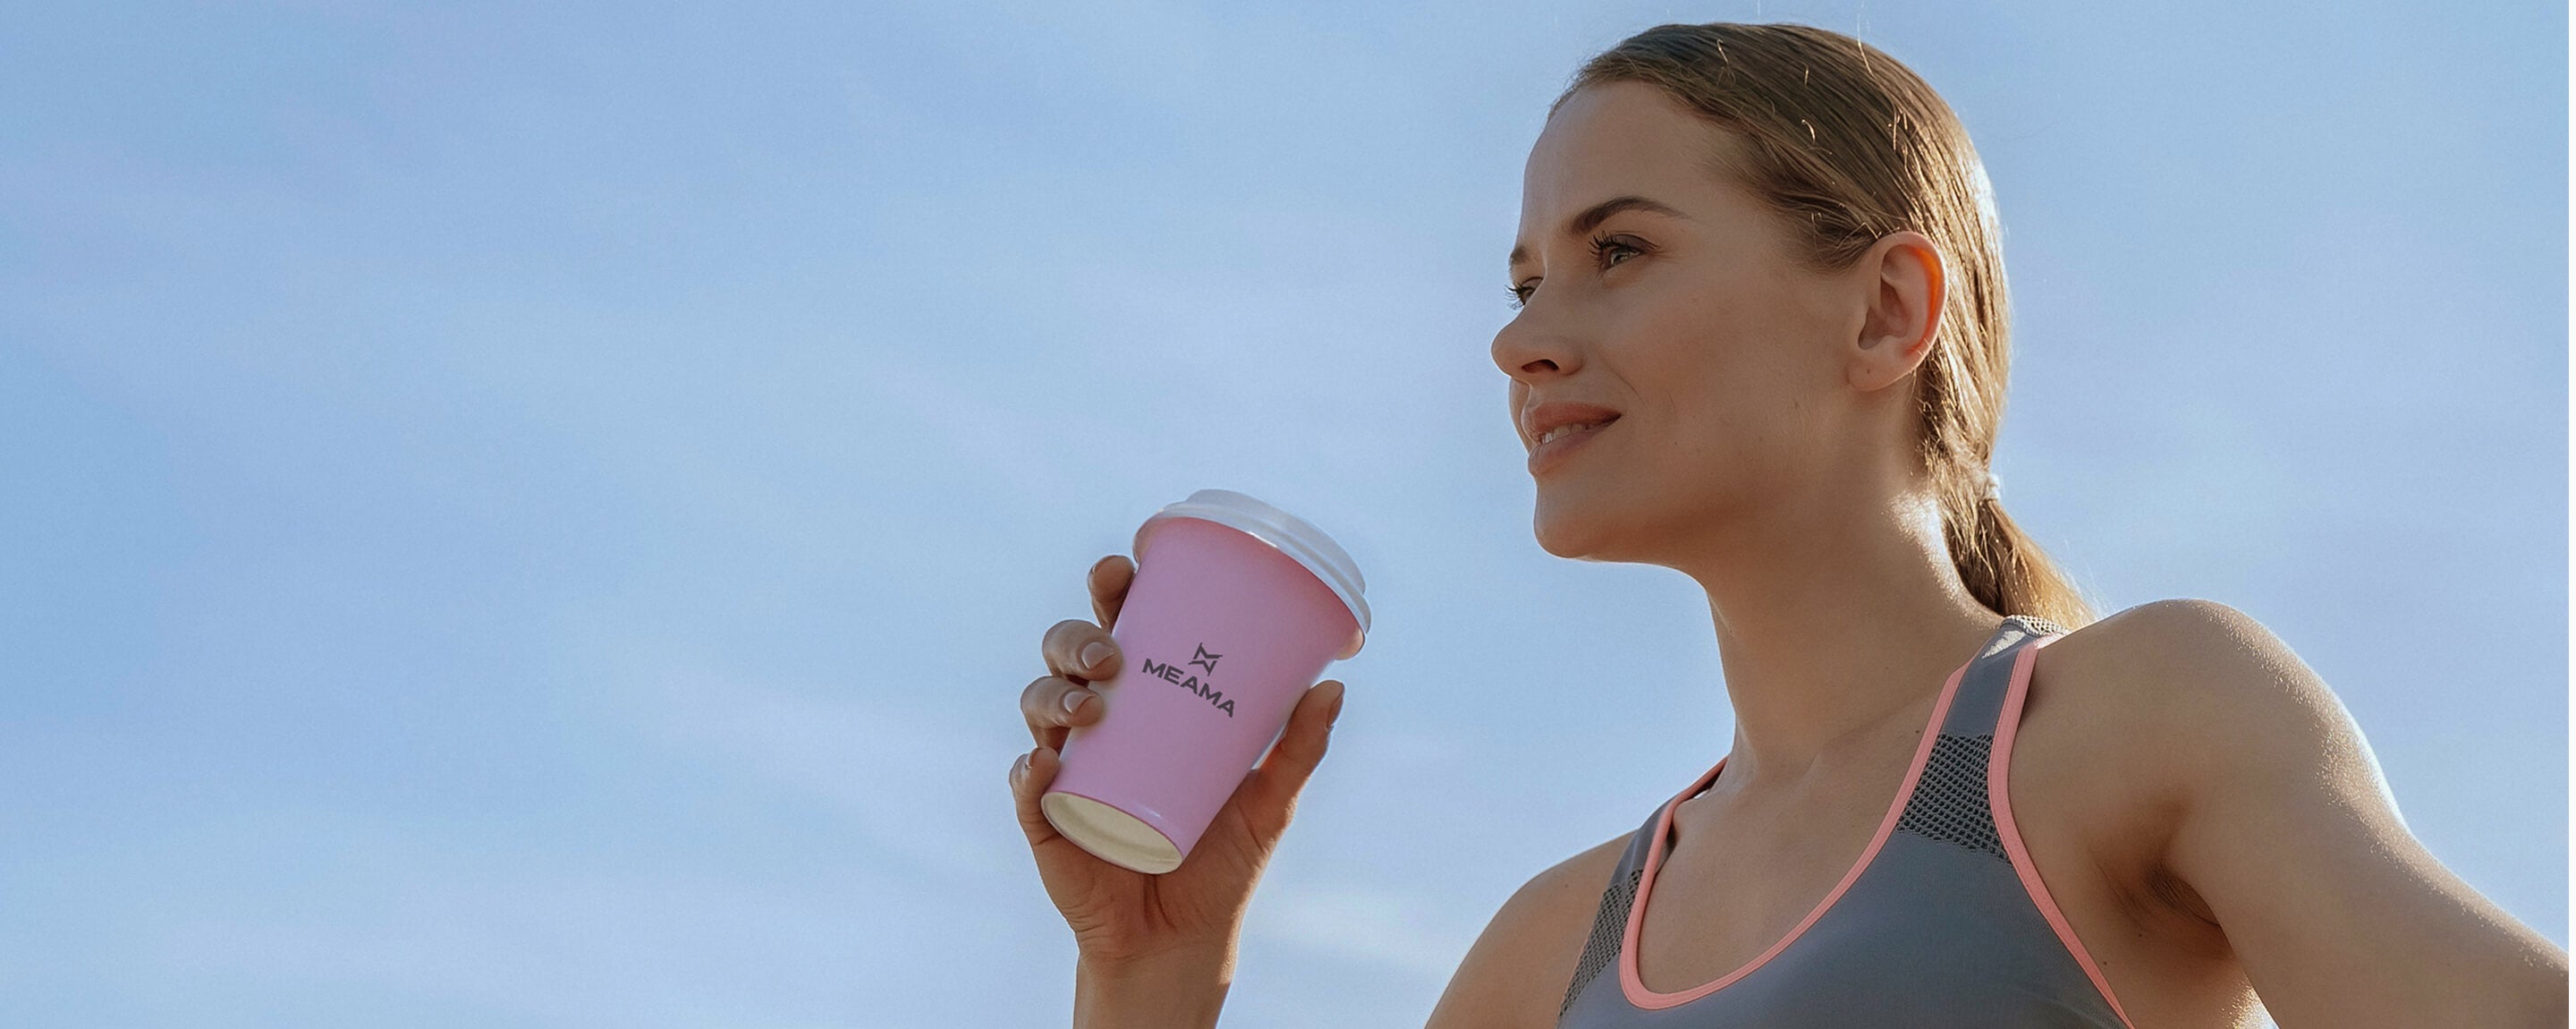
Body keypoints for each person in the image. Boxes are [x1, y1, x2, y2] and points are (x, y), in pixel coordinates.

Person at [1005, 21, 2569, 1028]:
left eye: (1619, 250)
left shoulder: (2134, 722)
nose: (1523, 340)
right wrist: (1149, 962)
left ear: (1888, 309)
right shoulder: (1547, 952)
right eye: (1523, 278)